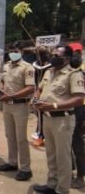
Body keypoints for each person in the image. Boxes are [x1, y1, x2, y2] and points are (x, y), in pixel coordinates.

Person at [33, 45, 85, 194]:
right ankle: (51, 184)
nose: (52, 57)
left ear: (66, 58)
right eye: (53, 54)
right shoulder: (49, 72)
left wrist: (53, 106)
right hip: (47, 119)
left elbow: (79, 99)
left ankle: (62, 189)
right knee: (51, 154)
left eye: (56, 55)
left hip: (63, 120)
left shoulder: (73, 74)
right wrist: (35, 100)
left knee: (63, 157)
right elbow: (40, 89)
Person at [0, 42, 35, 181]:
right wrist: (1, 89)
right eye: (11, 50)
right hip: (7, 105)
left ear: (22, 52)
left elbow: (30, 88)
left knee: (21, 138)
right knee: (9, 135)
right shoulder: (7, 66)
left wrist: (12, 96)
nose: (13, 52)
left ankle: (25, 168)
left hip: (20, 106)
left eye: (16, 50)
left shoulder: (27, 68)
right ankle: (12, 162)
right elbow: (3, 81)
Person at [68, 44, 85, 189]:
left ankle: (80, 176)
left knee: (77, 144)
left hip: (80, 109)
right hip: (65, 108)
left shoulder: (81, 69)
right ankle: (69, 171)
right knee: (65, 144)